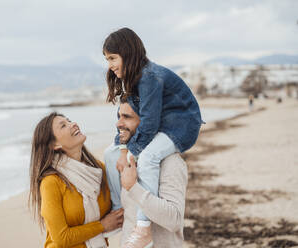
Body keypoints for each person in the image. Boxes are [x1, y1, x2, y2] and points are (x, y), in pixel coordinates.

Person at [103, 27, 202, 247]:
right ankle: (119, 208)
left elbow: (148, 123)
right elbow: (127, 119)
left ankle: (144, 226)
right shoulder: (135, 80)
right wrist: (122, 150)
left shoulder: (149, 77)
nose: (109, 64)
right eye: (106, 59)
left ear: (127, 54)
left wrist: (131, 155)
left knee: (148, 159)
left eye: (112, 58)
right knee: (110, 153)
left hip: (182, 126)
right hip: (165, 123)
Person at [29, 112, 124, 248]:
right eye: (63, 126)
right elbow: (61, 238)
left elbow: (119, 205)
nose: (73, 124)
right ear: (54, 145)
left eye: (69, 121)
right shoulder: (51, 182)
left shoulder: (97, 170)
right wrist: (102, 226)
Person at [104, 100, 188, 247]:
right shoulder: (126, 160)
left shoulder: (171, 163)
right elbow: (125, 213)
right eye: (119, 117)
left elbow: (174, 221)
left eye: (127, 117)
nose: (119, 124)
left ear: (149, 122)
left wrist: (133, 187)